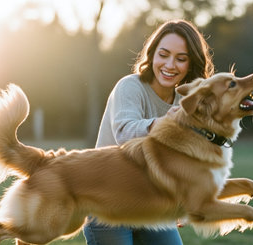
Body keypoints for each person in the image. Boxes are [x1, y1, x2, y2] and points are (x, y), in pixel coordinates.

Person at [83, 19, 215, 245]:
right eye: (163, 54)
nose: (170, 65)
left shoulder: (186, 100)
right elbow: (125, 133)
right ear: (152, 55)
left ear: (191, 64)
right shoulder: (130, 86)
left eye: (181, 59)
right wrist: (167, 122)